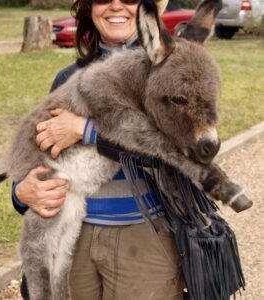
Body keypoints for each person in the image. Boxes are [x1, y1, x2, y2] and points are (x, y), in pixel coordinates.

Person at [12, 0, 185, 299]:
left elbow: (182, 154)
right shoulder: (67, 78)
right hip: (73, 236)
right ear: (89, 8)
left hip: (145, 236)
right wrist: (21, 192)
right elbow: (38, 151)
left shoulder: (172, 70)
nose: (116, 6)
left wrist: (85, 130)